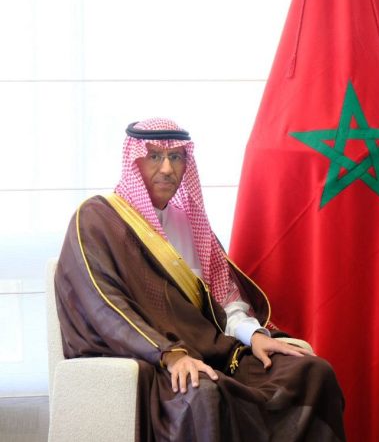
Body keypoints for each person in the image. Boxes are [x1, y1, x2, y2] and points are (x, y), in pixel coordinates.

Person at [54, 117, 346, 441]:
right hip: (151, 361)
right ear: (134, 161)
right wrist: (169, 354)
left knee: (313, 373)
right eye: (155, 156)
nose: (167, 168)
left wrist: (253, 335)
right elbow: (104, 309)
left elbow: (222, 298)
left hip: (213, 354)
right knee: (202, 395)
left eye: (176, 157)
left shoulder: (192, 224)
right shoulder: (97, 219)